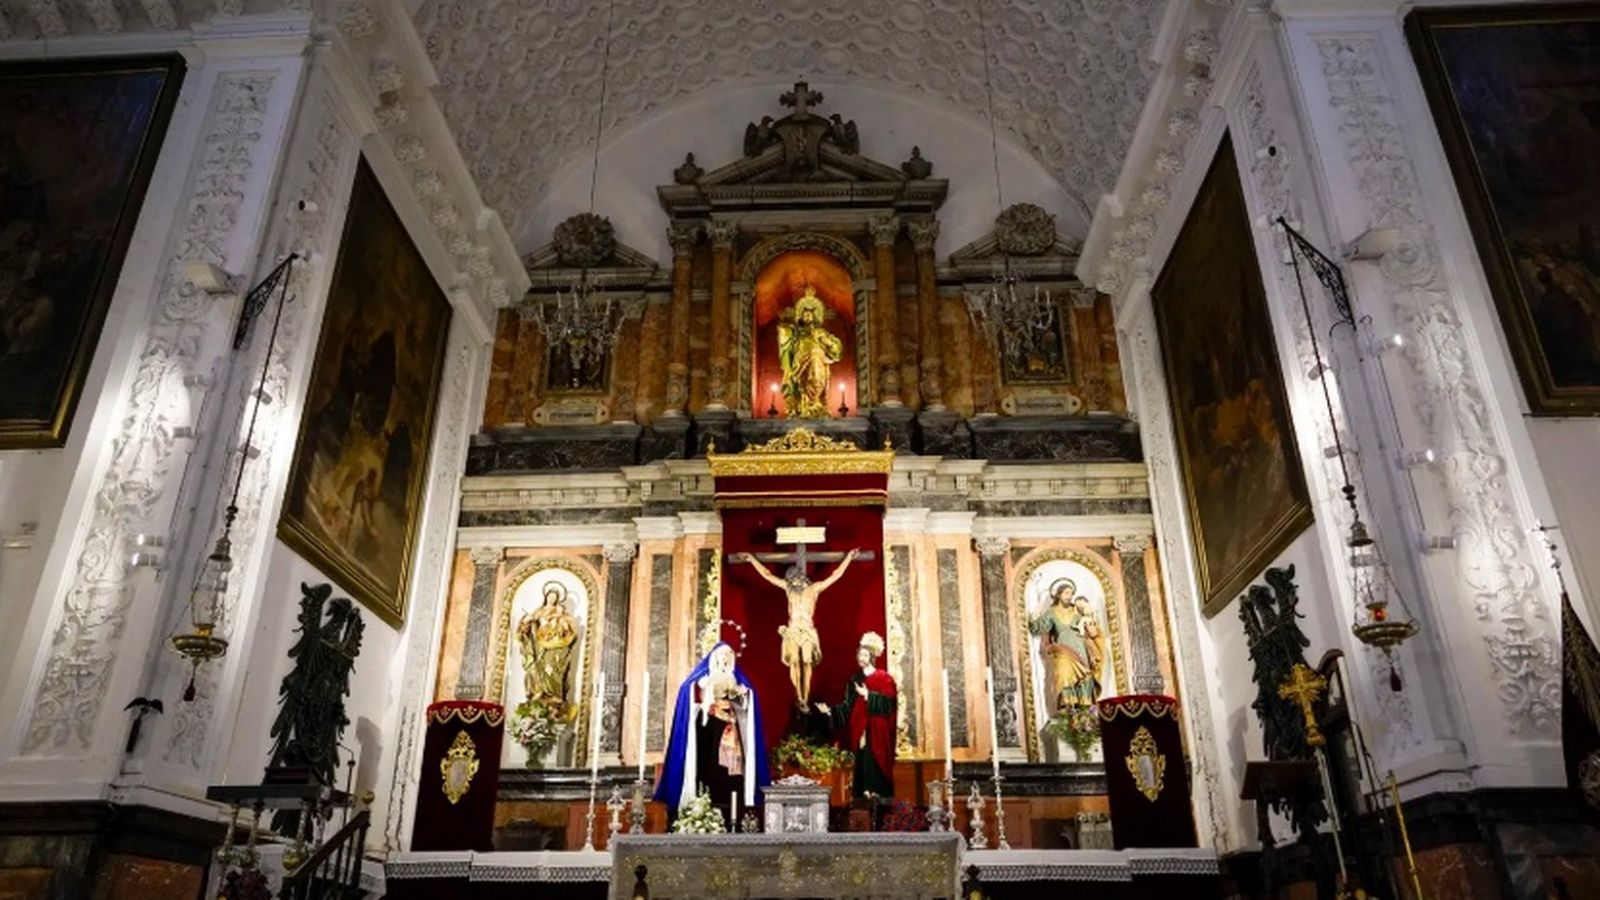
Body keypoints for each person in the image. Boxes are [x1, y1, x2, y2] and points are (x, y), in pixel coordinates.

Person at [655, 642, 770, 820]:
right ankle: (703, 807)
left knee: (732, 771)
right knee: (709, 765)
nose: (725, 660)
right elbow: (690, 690)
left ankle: (735, 811)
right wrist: (706, 692)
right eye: (722, 656)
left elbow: (748, 695)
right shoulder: (703, 676)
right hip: (709, 726)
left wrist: (743, 695)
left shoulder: (735, 677)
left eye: (728, 656)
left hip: (731, 722)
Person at [734, 549, 859, 709]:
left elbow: (836, 576)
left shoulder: (814, 589)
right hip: (792, 631)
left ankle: (805, 697)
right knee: (794, 663)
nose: (793, 581)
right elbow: (767, 575)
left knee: (807, 663)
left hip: (807, 631)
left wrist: (848, 557)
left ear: (801, 577)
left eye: (795, 578)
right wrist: (752, 559)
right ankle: (798, 696)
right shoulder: (788, 589)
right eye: (790, 579)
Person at [817, 631, 897, 800]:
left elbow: (889, 705)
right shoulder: (854, 679)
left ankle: (877, 793)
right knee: (863, 761)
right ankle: (864, 795)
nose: (861, 657)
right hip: (860, 729)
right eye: (859, 654)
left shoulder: (884, 678)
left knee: (875, 760)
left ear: (872, 656)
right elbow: (848, 707)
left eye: (864, 654)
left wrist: (869, 695)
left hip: (877, 731)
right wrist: (830, 711)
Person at [1028, 579, 1104, 715]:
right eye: (1066, 593)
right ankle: (1066, 713)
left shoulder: (1077, 611)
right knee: (1063, 675)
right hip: (1063, 650)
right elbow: (1037, 628)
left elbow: (1092, 626)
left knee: (1084, 679)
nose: (1069, 596)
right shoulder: (1051, 612)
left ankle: (1086, 715)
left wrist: (1092, 624)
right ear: (1058, 595)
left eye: (1071, 593)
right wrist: (1036, 613)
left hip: (1081, 648)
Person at [777, 286, 843, 418]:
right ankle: (801, 406)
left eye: (810, 314)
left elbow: (836, 349)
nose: (807, 316)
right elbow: (786, 339)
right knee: (801, 381)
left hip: (818, 360)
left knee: (816, 378)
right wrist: (785, 322)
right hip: (800, 359)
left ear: (815, 316)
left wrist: (826, 342)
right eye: (804, 314)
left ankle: (815, 404)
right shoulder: (797, 333)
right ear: (800, 316)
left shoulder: (821, 332)